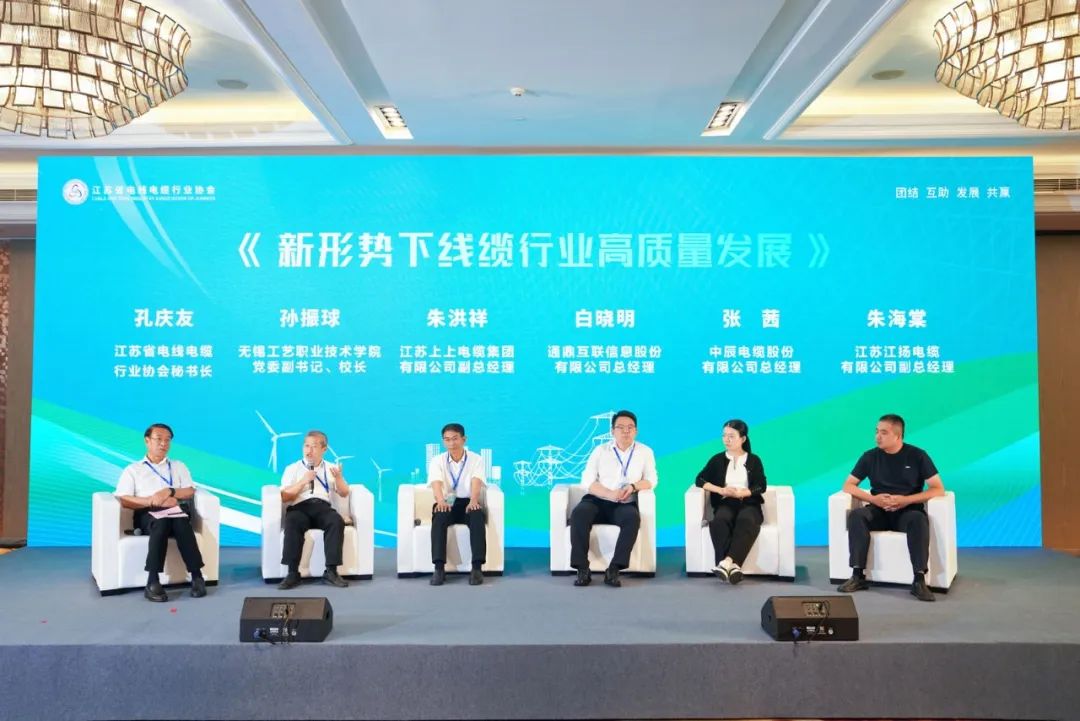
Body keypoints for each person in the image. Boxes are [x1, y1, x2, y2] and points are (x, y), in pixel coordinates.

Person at [837, 414, 945, 602]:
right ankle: (857, 575)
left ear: (898, 435)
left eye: (884, 433)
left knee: (918, 519)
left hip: (907, 511)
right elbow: (848, 485)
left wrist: (906, 500)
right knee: (857, 515)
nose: (877, 437)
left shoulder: (918, 456)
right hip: (879, 511)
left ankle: (919, 580)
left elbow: (938, 488)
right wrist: (874, 499)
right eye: (876, 432)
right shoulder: (869, 457)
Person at [114, 423, 206, 602]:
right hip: (147, 513)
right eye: (159, 439)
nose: (163, 443)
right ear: (147, 441)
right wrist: (151, 500)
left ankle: (197, 576)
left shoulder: (178, 466)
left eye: (167, 440)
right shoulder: (133, 470)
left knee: (181, 522)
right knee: (161, 523)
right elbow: (124, 499)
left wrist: (169, 492)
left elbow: (189, 491)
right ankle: (153, 581)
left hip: (175, 510)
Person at [570, 410, 658, 588]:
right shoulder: (600, 451)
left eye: (630, 427)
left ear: (636, 431)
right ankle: (582, 568)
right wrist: (609, 493)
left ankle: (614, 569)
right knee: (579, 513)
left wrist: (633, 486)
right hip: (597, 500)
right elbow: (587, 481)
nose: (626, 431)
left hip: (625, 502)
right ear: (612, 431)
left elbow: (652, 479)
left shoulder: (645, 452)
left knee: (632, 518)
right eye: (621, 427)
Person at [693, 419, 766, 585]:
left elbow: (761, 485)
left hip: (749, 503)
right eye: (724, 435)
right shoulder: (717, 459)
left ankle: (726, 563)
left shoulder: (754, 460)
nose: (726, 439)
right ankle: (734, 568)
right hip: (726, 502)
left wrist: (744, 492)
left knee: (746, 520)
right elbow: (700, 480)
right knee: (719, 520)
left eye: (731, 436)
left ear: (743, 439)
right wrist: (721, 490)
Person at [277, 430, 351, 590]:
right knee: (292, 521)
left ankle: (331, 571)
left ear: (324, 449)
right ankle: (292, 573)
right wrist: (303, 481)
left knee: (336, 521)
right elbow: (285, 496)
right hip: (299, 507)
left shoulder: (331, 468)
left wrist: (338, 478)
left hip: (322, 507)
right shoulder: (293, 468)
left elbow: (344, 493)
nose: (309, 450)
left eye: (314, 447)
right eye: (306, 446)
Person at [427, 423, 488, 586]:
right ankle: (439, 568)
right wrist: (440, 501)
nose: (451, 443)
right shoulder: (437, 460)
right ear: (443, 441)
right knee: (439, 517)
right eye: (447, 440)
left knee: (477, 516)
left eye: (455, 439)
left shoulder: (476, 459)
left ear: (464, 439)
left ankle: (477, 568)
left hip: (467, 500)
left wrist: (474, 500)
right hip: (448, 501)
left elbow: (476, 481)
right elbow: (436, 483)